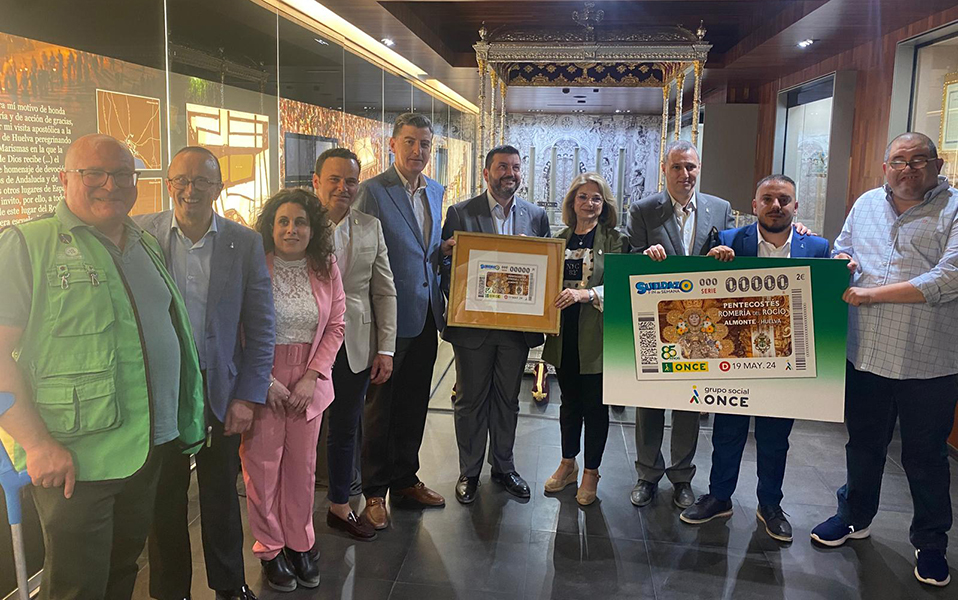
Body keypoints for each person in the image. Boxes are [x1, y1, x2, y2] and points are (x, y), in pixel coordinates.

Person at [0, 134, 205, 600]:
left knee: (122, 570)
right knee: (78, 585)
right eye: (93, 173)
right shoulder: (26, 246)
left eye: (122, 174)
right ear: (64, 179)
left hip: (146, 448)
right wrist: (37, 444)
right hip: (75, 461)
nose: (109, 185)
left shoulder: (143, 243)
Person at [810, 132, 958, 588]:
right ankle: (855, 515)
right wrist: (841, 259)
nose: (908, 168)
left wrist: (872, 294)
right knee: (863, 444)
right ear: (884, 166)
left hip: (927, 358)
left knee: (925, 455)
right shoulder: (867, 202)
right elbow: (844, 245)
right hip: (866, 351)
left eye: (918, 160)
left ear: (936, 164)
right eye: (898, 160)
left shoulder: (954, 207)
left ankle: (930, 542)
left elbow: (950, 276)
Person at [137, 147, 274, 600]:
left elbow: (260, 324)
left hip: (222, 391)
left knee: (219, 495)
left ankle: (229, 585)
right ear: (168, 183)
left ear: (218, 189)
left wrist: (248, 397)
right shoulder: (141, 235)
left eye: (201, 182)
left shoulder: (244, 241)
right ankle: (168, 591)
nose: (190, 189)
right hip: (165, 394)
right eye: (181, 180)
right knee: (166, 501)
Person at [677, 174, 830, 542]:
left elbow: (825, 302)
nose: (776, 206)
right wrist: (713, 261)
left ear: (795, 205)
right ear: (755, 203)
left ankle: (770, 505)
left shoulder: (819, 248)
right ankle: (719, 496)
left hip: (787, 361)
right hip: (736, 357)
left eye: (784, 199)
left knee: (775, 438)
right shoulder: (730, 241)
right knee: (727, 432)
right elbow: (701, 288)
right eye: (768, 199)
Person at [241, 189, 345, 592]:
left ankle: (300, 542)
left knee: (302, 470)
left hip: (308, 382)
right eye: (283, 221)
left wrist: (311, 375)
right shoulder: (254, 266)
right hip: (262, 377)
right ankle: (270, 547)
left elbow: (336, 324)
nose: (291, 229)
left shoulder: (326, 266)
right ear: (271, 226)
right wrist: (264, 381)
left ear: (312, 228)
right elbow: (238, 326)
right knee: (262, 470)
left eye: (300, 222)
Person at [625, 139, 734, 510]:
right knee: (649, 402)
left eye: (690, 167)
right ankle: (647, 475)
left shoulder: (720, 210)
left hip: (702, 326)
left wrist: (725, 255)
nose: (684, 174)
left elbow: (736, 260)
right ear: (665, 170)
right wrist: (644, 255)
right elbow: (629, 260)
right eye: (677, 167)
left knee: (690, 402)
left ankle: (682, 477)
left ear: (698, 168)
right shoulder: (642, 211)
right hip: (655, 323)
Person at [440, 145, 551, 504]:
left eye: (516, 168)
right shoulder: (460, 213)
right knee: (470, 401)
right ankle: (469, 471)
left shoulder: (536, 217)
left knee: (508, 400)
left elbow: (546, 272)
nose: (510, 173)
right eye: (502, 166)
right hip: (473, 328)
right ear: (486, 172)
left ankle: (504, 467)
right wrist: (461, 291)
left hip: (515, 331)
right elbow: (446, 270)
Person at [355, 113, 446, 528]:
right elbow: (360, 255)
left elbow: (424, 252)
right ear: (392, 144)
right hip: (387, 322)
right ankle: (373, 492)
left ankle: (405, 480)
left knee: (413, 404)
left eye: (425, 144)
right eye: (409, 142)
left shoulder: (436, 191)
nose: (417, 151)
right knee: (380, 409)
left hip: (426, 316)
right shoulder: (373, 192)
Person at [312, 148, 397, 540]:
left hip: (355, 343)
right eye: (334, 179)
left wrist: (386, 348)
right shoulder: (300, 223)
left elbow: (384, 291)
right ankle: (290, 508)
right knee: (301, 430)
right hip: (306, 343)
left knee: (346, 426)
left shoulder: (370, 226)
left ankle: (340, 505)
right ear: (316, 182)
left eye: (350, 181)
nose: (342, 188)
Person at [541, 173, 627, 506]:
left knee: (595, 407)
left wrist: (587, 294)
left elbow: (622, 285)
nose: (589, 203)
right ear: (571, 202)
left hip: (599, 336)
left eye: (596, 198)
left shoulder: (616, 240)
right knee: (569, 403)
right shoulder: (558, 240)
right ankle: (568, 464)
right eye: (582, 197)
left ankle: (591, 472)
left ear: (604, 205)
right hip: (564, 334)